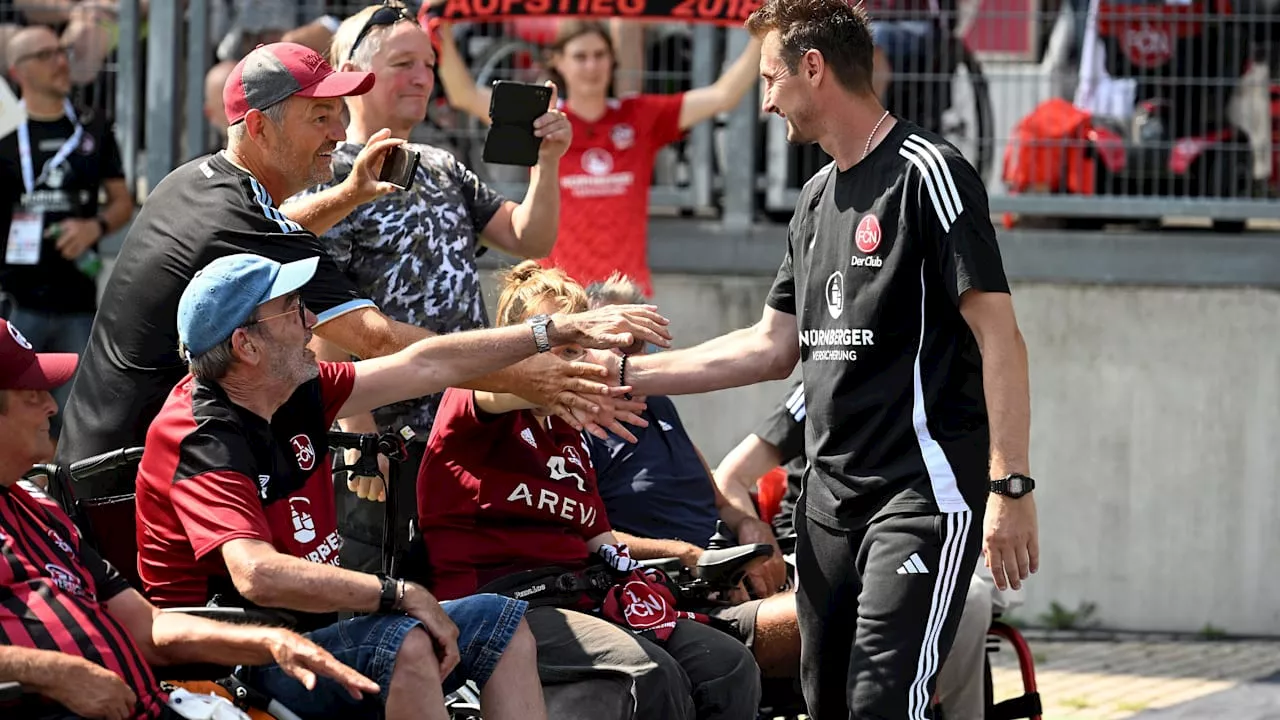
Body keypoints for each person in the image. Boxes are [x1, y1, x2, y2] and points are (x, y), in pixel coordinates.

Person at [595, 1, 1041, 717]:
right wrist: (619, 374)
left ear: (813, 68)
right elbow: (770, 348)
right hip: (827, 507)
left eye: (771, 78)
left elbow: (1001, 337)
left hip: (918, 498)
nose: (765, 100)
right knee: (825, 703)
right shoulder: (813, 199)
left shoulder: (931, 172)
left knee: (879, 703)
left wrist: (1010, 487)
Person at [55, 41, 632, 495]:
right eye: (320, 116)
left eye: (338, 112)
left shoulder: (196, 180)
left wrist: (351, 193)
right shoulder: (246, 223)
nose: (338, 130)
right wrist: (525, 375)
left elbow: (278, 224)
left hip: (119, 460)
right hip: (126, 478)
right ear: (258, 126)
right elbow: (376, 340)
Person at [134, 253, 666, 719]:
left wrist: (550, 333)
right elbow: (256, 575)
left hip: (306, 639)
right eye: (294, 310)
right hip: (234, 665)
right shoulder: (200, 433)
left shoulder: (291, 388)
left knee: (503, 623)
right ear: (246, 344)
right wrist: (396, 592)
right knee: (409, 643)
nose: (313, 320)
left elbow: (427, 362)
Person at [283, 3, 575, 573]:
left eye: (429, 63)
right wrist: (357, 434)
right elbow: (318, 307)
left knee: (454, 587)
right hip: (383, 439)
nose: (422, 77)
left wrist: (548, 164)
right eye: (403, 63)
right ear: (353, 72)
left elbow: (528, 235)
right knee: (379, 589)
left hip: (459, 426)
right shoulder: (333, 175)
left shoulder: (441, 164)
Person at [417, 261, 762, 720]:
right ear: (510, 340)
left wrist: (678, 565)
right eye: (550, 341)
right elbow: (501, 386)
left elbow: (602, 543)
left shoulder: (572, 430)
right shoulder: (476, 396)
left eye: (576, 347)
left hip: (579, 598)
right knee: (647, 673)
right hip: (498, 605)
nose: (566, 360)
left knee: (727, 664)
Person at [0, 316, 381, 720]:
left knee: (396, 650)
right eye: (31, 395)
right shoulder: (205, 431)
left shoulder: (36, 504)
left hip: (160, 705)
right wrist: (52, 671)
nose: (51, 406)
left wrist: (271, 641)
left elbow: (149, 628)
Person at [715, 378, 1024, 720]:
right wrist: (756, 533)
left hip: (917, 533)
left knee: (984, 592)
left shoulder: (942, 372)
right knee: (970, 599)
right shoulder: (828, 372)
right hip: (820, 545)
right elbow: (731, 475)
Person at [433, 17, 762, 297]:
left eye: (600, 55)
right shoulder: (541, 117)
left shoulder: (639, 116)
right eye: (580, 56)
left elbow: (723, 95)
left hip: (625, 300)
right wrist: (441, 31)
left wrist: (762, 35)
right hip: (559, 299)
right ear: (558, 61)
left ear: (612, 59)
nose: (592, 65)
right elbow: (464, 95)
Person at [582, 273, 800, 681]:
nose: (632, 356)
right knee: (826, 620)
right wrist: (693, 558)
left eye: (639, 343)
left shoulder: (658, 403)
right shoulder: (580, 428)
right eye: (618, 341)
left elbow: (718, 498)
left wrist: (749, 524)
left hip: (727, 571)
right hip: (675, 594)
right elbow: (589, 536)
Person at [0, 26, 134, 444]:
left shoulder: (92, 128)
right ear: (17, 71)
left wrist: (93, 226)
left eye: (62, 51)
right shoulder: (4, 135)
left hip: (78, 300)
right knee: (14, 423)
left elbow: (121, 202)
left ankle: (59, 505)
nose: (61, 61)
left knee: (76, 424)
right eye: (46, 55)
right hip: (15, 305)